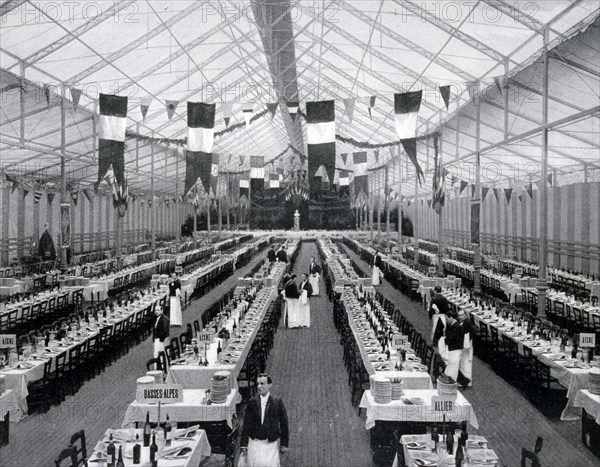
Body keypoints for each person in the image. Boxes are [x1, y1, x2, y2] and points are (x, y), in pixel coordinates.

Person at [240, 374, 289, 467]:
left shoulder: (277, 402)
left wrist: (284, 444)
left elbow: (284, 423)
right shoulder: (252, 402)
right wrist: (243, 444)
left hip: (270, 443)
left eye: (262, 384)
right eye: (258, 384)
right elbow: (246, 423)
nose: (259, 387)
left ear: (270, 385)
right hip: (254, 443)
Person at [443, 310, 464, 382]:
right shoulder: (455, 326)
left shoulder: (456, 327)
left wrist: (445, 340)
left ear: (451, 317)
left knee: (453, 368)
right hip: (453, 349)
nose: (446, 321)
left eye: (447, 319)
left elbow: (451, 338)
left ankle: (451, 382)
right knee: (451, 366)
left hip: (455, 350)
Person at [457, 309, 474, 388]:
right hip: (464, 345)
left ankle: (467, 381)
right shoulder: (463, 322)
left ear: (465, 316)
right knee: (463, 362)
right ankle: (465, 380)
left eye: (462, 315)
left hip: (466, 346)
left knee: (466, 363)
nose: (460, 317)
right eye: (459, 315)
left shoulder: (467, 323)